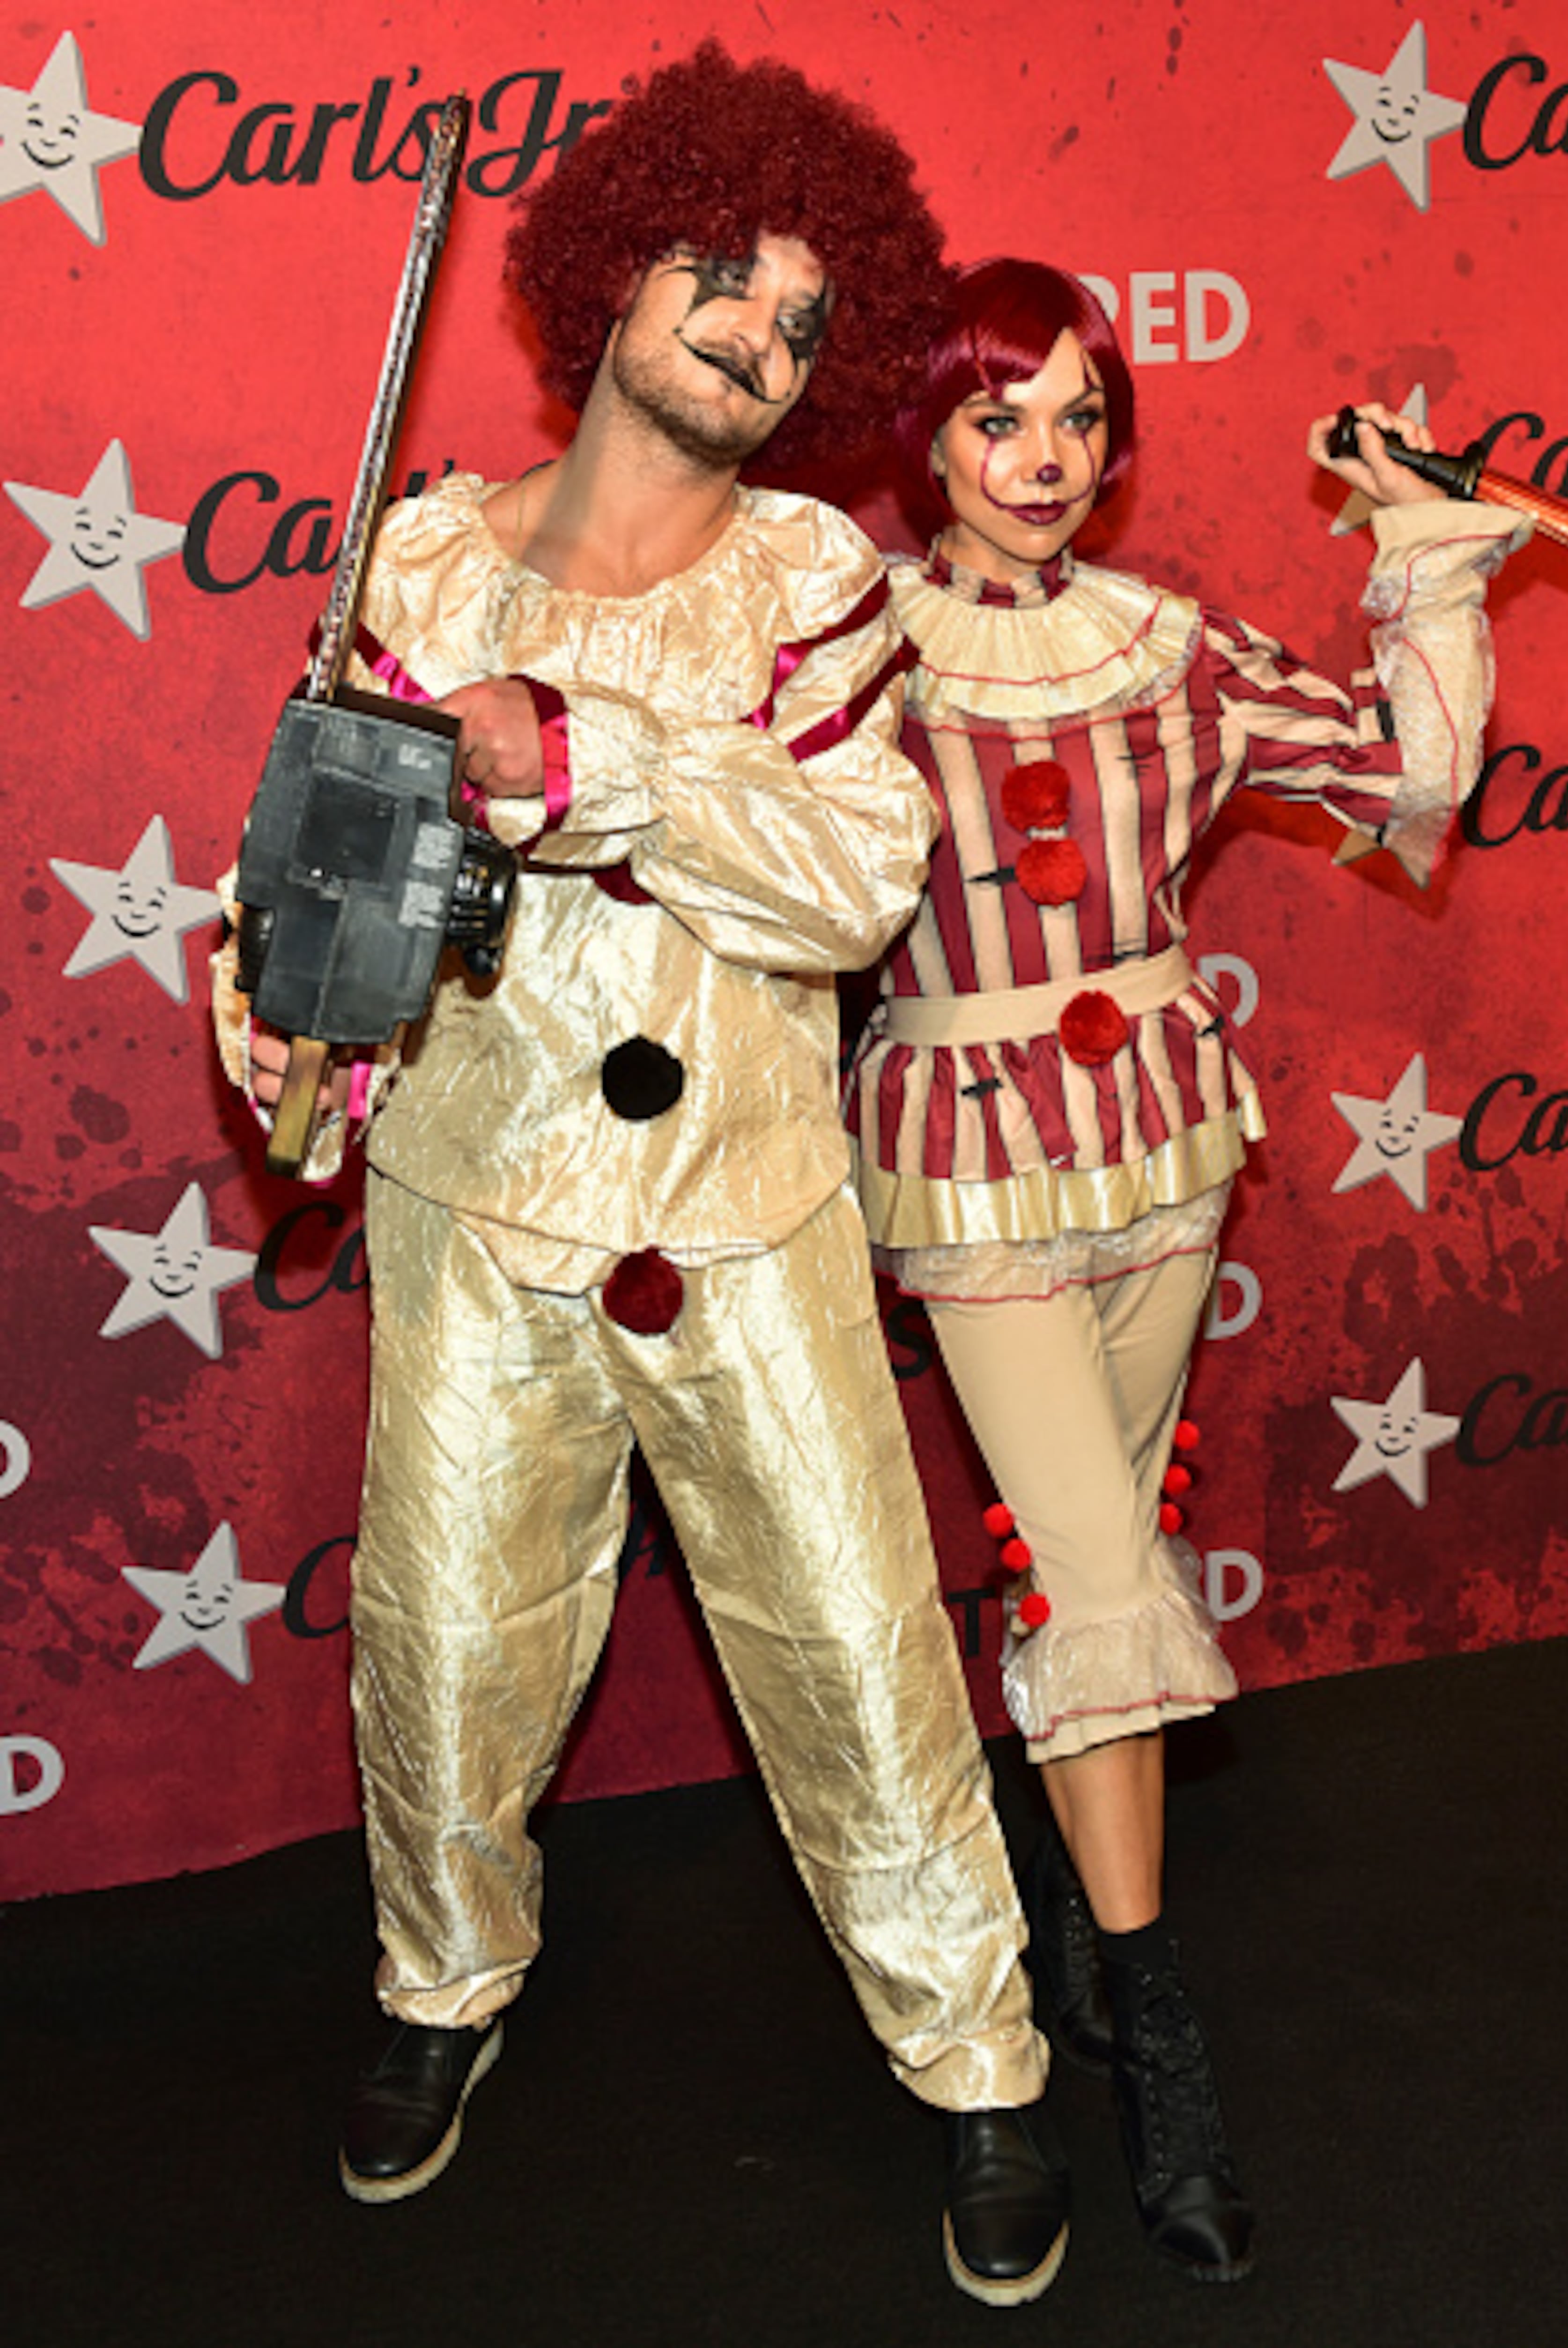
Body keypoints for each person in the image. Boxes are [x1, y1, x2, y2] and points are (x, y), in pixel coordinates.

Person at [211, 55, 1069, 2306]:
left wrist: (580, 753)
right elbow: (314, 862)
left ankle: (980, 2058)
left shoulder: (818, 581)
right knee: (448, 1644)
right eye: (719, 274)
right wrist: (273, 1008)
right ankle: (439, 1986)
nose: (751, 337)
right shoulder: (419, 561)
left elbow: (855, 877)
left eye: (800, 322)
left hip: (746, 1217)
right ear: (614, 269)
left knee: (861, 1652)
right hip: (476, 1215)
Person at [844, 257, 1526, 2280]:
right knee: (1098, 1576)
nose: (1043, 458)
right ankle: (1158, 2042)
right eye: (1000, 419)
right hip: (965, 1160)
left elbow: (1414, 776)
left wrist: (1426, 558)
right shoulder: (842, 647)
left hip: (1163, 1147)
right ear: (929, 438)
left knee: (1097, 1553)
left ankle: (1075, 1917)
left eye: (1079, 418)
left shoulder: (1175, 644)